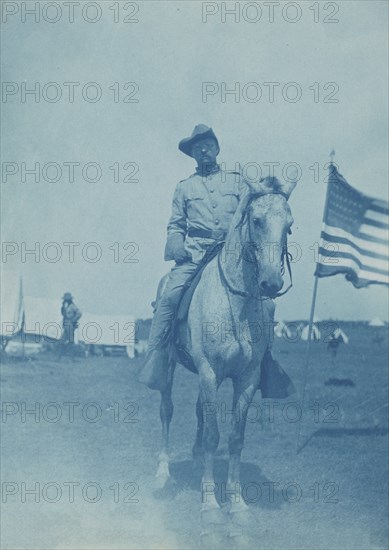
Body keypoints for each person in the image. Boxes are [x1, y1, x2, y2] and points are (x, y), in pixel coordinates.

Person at [138, 124, 282, 392]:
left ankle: (265, 363)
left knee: (268, 305)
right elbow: (176, 224)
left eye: (208, 145)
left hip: (232, 255)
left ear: (217, 148)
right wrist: (176, 244)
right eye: (197, 147)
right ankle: (157, 356)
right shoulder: (184, 188)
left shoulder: (238, 181)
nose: (203, 150)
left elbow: (256, 211)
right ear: (193, 154)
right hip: (194, 254)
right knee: (169, 297)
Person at [57, 292, 82, 360]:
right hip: (66, 324)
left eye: (66, 299)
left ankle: (72, 358)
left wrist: (73, 320)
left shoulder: (72, 306)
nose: (64, 300)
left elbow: (79, 313)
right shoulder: (65, 306)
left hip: (70, 324)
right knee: (61, 342)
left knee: (71, 341)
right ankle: (59, 357)